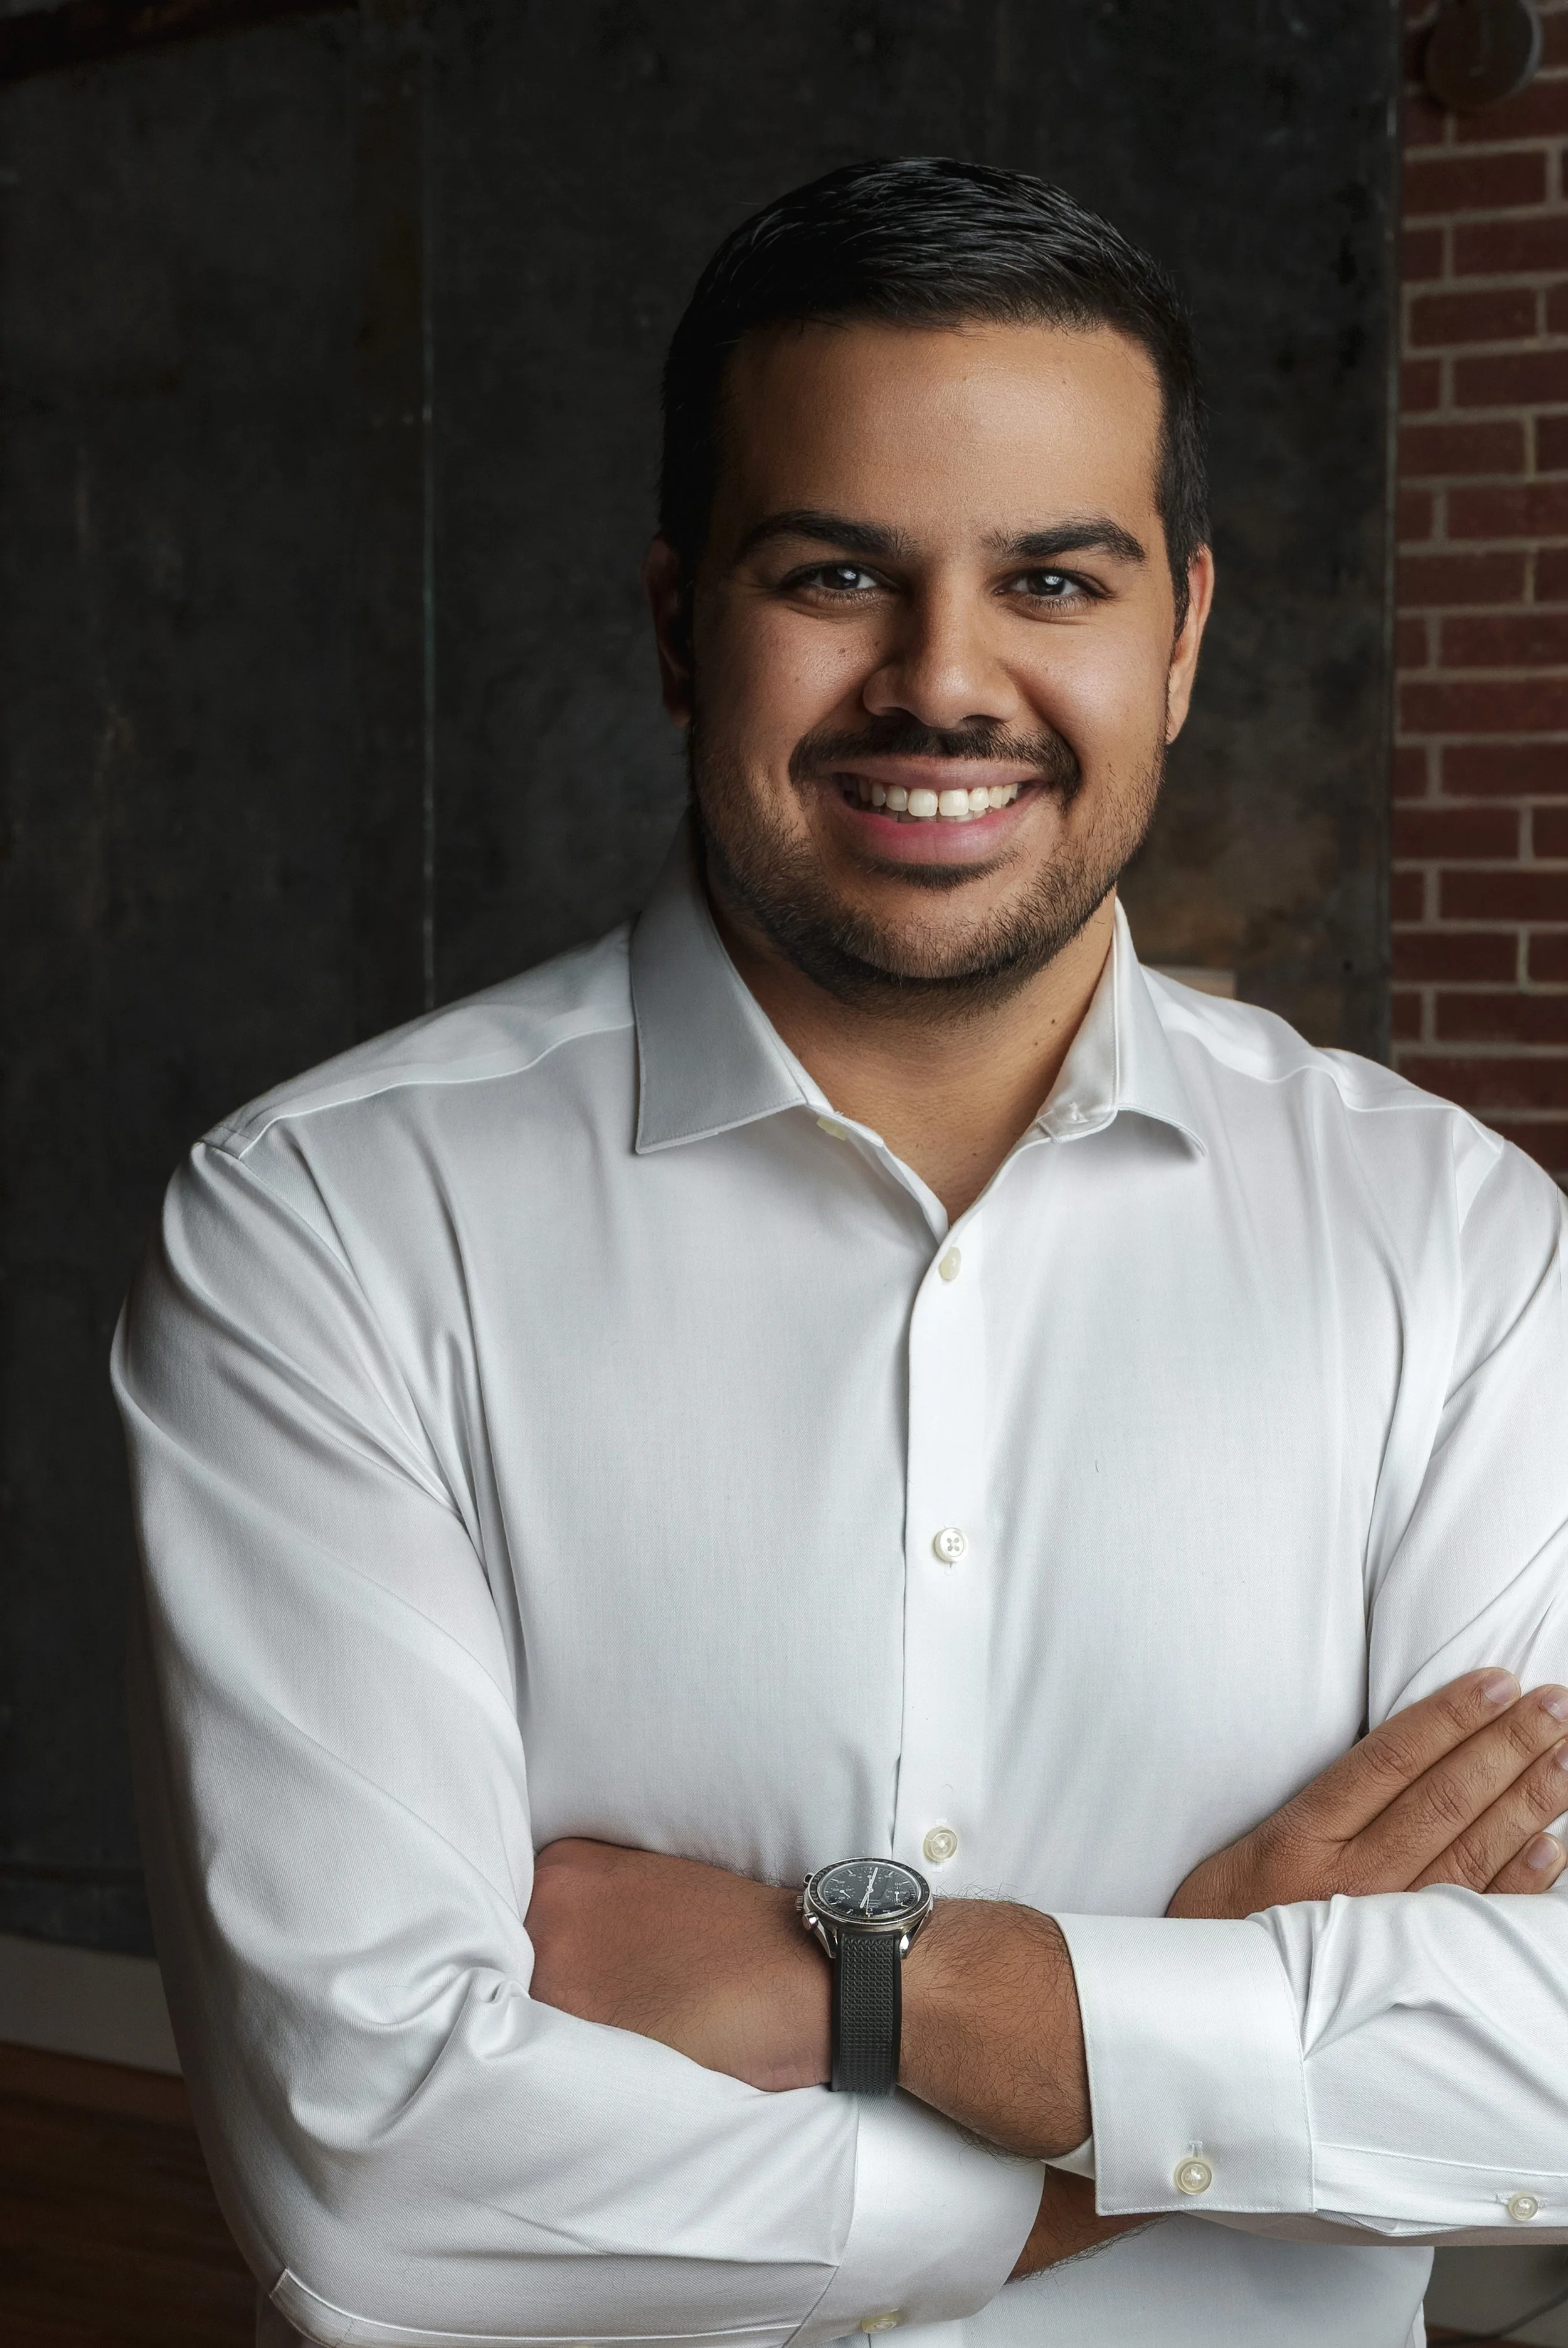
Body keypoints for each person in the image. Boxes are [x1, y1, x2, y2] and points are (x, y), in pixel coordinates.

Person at [114, 159, 1568, 2348]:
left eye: (1050, 577)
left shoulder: (1453, 1244)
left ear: (1179, 634)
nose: (942, 680)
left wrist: (885, 1983)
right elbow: (381, 2181)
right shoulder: (323, 1227)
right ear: (674, 621)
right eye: (835, 574)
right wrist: (1214, 2048)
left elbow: (1543, 2076)